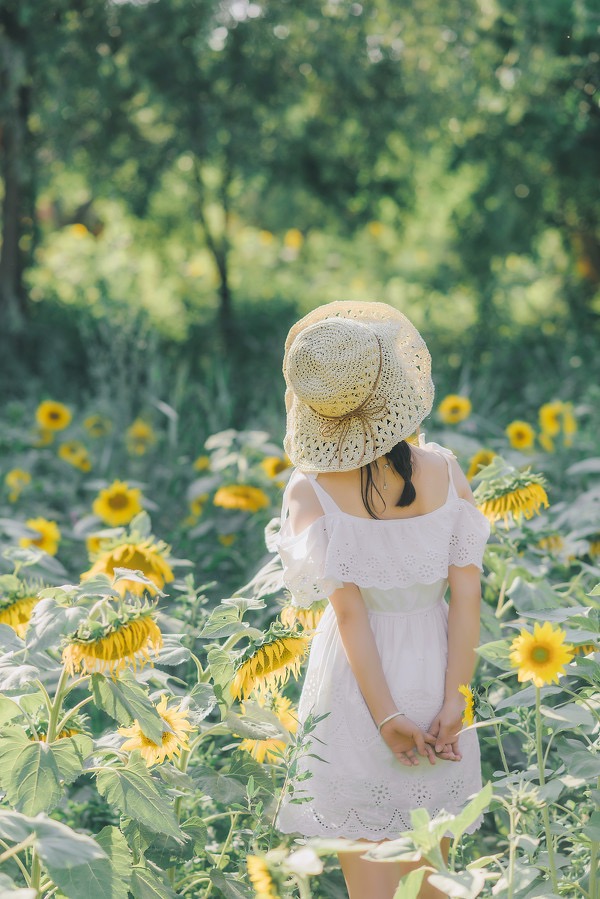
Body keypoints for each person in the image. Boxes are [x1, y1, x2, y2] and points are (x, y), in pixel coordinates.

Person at [272, 301, 490, 899]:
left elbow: (348, 615)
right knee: (434, 876)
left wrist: (387, 718)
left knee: (370, 881)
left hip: (358, 687)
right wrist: (456, 699)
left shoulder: (311, 489)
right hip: (438, 665)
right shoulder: (444, 469)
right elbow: (468, 596)